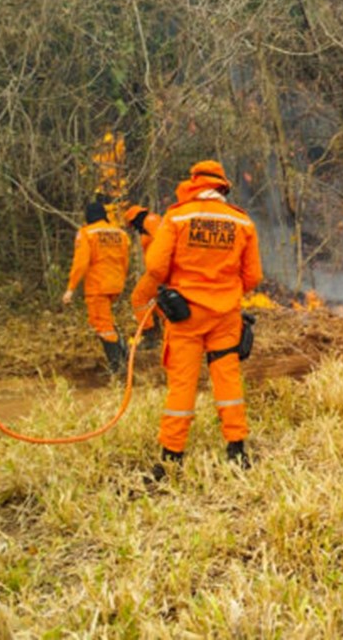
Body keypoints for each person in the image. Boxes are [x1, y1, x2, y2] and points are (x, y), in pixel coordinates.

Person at [131, 160, 262, 477]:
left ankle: (171, 457)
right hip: (225, 316)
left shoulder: (177, 216)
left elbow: (157, 268)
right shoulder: (242, 222)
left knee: (182, 385)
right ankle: (237, 450)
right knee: (228, 380)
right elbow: (254, 276)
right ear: (222, 186)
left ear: (194, 183)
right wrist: (227, 293)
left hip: (185, 315)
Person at [63, 201, 131, 375]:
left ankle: (118, 367)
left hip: (97, 286)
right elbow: (125, 260)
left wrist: (71, 288)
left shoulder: (86, 233)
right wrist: (120, 280)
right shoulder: (120, 233)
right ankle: (122, 356)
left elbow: (81, 263)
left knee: (102, 325)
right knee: (105, 321)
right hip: (116, 284)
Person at [123, 203, 164, 347]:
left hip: (159, 269)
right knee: (159, 301)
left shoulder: (151, 220)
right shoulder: (151, 223)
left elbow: (163, 241)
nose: (134, 229)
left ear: (135, 219)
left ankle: (150, 334)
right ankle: (171, 329)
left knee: (138, 297)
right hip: (159, 268)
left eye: (132, 225)